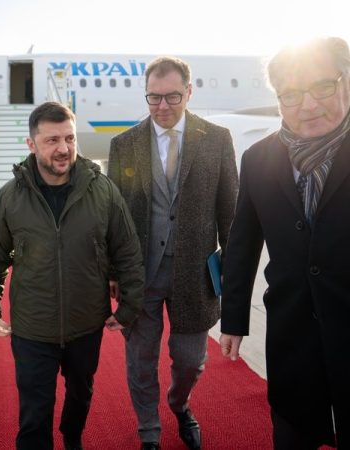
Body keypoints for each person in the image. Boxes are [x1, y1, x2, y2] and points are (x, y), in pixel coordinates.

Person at [0, 101, 144, 450]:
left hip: (86, 323)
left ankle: (72, 436)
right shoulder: (10, 198)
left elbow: (127, 251)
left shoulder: (103, 191)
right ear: (31, 144)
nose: (64, 148)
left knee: (81, 394)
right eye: (52, 140)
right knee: (34, 414)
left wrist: (128, 306)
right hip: (33, 328)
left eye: (69, 138)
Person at [220, 36, 350, 449]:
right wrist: (233, 318)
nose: (308, 105)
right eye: (291, 94)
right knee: (294, 429)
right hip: (292, 331)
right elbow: (242, 243)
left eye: (322, 87)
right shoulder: (258, 159)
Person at [108, 56, 239, 450]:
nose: (162, 106)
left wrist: (232, 269)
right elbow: (114, 217)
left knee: (190, 361)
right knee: (140, 361)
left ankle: (179, 404)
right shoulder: (124, 144)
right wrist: (112, 272)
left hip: (195, 275)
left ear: (189, 92)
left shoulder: (216, 139)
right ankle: (149, 429)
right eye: (154, 97)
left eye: (172, 96)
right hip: (140, 275)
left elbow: (229, 211)